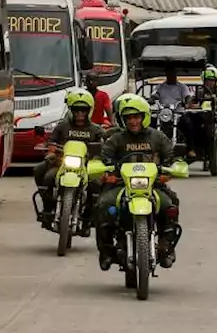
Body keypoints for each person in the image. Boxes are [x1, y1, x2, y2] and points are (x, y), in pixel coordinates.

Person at [95, 93, 181, 271]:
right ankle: (106, 251)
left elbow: (171, 155)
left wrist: (170, 169)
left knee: (170, 204)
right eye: (128, 118)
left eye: (136, 117)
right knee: (103, 205)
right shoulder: (116, 139)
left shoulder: (157, 137)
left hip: (153, 185)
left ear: (144, 117)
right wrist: (105, 171)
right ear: (123, 120)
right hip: (120, 185)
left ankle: (166, 247)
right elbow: (104, 157)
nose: (133, 121)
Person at [33, 88, 104, 231]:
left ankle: (88, 218)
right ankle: (48, 209)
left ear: (89, 111)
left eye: (83, 111)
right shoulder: (62, 127)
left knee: (96, 184)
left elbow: (104, 147)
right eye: (76, 110)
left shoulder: (96, 130)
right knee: (42, 173)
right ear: (71, 110)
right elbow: (51, 143)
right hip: (62, 163)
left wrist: (98, 156)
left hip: (86, 165)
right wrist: (51, 153)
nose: (79, 114)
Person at [187, 65, 217, 167]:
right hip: (202, 116)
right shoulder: (199, 90)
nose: (210, 82)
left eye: (212, 80)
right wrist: (192, 104)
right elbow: (192, 101)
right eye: (207, 80)